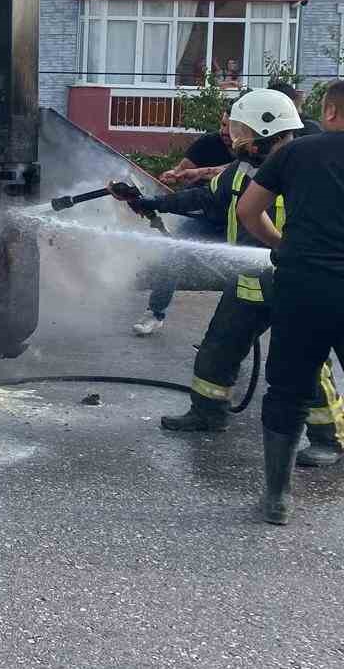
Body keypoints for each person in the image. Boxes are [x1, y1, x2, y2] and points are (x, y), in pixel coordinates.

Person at [109, 90, 344, 467]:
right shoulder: (239, 174)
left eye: (240, 130)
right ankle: (207, 412)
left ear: (266, 130)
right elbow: (203, 199)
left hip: (296, 285)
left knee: (310, 368)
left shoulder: (305, 166)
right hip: (248, 281)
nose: (233, 137)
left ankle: (327, 438)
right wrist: (150, 202)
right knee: (217, 349)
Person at [237, 79, 344, 524]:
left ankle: (277, 500)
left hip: (303, 286)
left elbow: (248, 211)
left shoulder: (296, 153)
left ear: (333, 113)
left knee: (288, 391)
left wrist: (282, 244)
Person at [133, 111, 236, 336]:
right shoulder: (209, 143)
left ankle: (227, 333)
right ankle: (155, 312)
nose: (224, 131)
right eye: (222, 124)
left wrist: (199, 173)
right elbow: (181, 171)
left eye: (231, 126)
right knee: (173, 251)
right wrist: (174, 174)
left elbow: (233, 171)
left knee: (242, 276)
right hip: (207, 217)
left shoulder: (254, 152)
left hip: (243, 222)